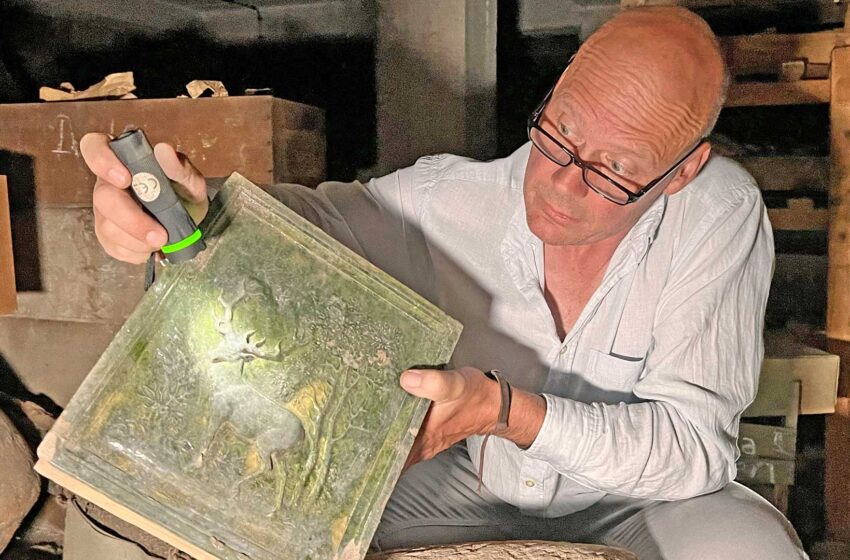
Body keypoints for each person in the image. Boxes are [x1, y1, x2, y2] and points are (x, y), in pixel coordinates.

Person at [75, 6, 807, 560]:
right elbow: (298, 224)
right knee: (249, 520)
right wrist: (180, 217)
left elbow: (691, 450)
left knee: (753, 548)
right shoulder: (452, 198)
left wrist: (504, 411)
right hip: (463, 482)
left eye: (613, 172)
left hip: (636, 497)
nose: (559, 186)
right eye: (558, 134)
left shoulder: (716, 211)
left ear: (681, 170)